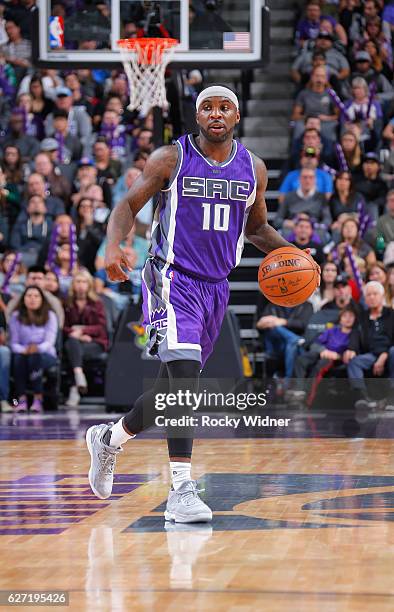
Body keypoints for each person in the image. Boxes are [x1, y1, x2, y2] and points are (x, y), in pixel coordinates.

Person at [85, 85, 319, 522]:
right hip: (170, 277)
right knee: (186, 379)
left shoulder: (254, 168)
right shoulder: (170, 159)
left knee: (167, 394)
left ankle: (108, 439)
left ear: (236, 116)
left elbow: (257, 229)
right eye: (207, 107)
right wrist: (113, 246)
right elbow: (126, 206)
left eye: (224, 107)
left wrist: (294, 254)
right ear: (197, 117)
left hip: (216, 287)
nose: (216, 113)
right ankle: (181, 489)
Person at [344, 281, 394, 409]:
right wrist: (351, 349)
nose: (372, 297)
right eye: (368, 295)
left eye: (375, 294)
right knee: (354, 361)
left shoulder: (391, 314)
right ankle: (363, 398)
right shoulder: (362, 317)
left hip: (389, 353)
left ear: (382, 296)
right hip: (371, 354)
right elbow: (355, 334)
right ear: (365, 299)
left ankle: (392, 398)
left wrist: (383, 356)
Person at [290, 306, 357, 400]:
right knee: (301, 359)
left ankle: (308, 395)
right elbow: (316, 343)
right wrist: (322, 350)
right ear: (340, 319)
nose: (348, 319)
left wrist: (337, 356)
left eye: (351, 316)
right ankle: (298, 389)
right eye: (345, 316)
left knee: (319, 367)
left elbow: (352, 351)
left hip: (336, 358)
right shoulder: (332, 330)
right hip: (323, 353)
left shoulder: (355, 335)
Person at [9, 285, 58, 413]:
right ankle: (21, 399)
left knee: (34, 357)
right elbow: (13, 343)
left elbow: (49, 342)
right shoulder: (15, 316)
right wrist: (24, 350)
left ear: (42, 299)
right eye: (29, 296)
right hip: (23, 353)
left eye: (36, 296)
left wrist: (36, 348)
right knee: (19, 358)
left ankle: (38, 398)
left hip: (46, 354)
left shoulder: (50, 316)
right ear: (23, 299)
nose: (32, 299)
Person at [63, 270, 108, 407]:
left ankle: (75, 386)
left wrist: (82, 331)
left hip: (95, 342)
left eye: (84, 282)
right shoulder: (66, 303)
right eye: (78, 282)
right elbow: (63, 326)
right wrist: (74, 333)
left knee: (73, 349)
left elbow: (101, 327)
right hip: (74, 341)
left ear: (89, 285)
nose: (81, 285)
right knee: (73, 344)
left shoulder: (97, 303)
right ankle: (78, 376)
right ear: (73, 285)